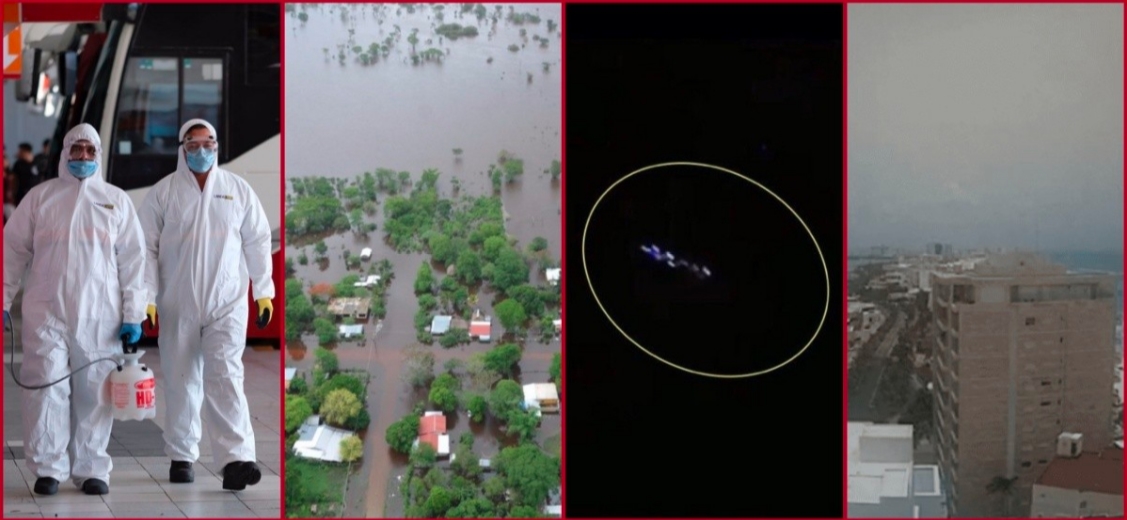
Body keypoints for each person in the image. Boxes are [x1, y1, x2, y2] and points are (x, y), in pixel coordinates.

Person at [3, 124, 146, 496]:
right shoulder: (41, 198)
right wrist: (3, 299)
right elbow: (12, 251)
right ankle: (48, 468)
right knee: (44, 388)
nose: (82, 156)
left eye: (89, 150)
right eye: (76, 149)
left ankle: (91, 467)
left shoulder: (116, 201)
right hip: (46, 311)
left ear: (98, 154)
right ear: (65, 153)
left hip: (101, 316)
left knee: (95, 391)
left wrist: (134, 314)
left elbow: (133, 263)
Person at [139, 119, 274, 491]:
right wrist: (145, 298)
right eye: (194, 144)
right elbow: (144, 249)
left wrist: (264, 291)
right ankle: (182, 455)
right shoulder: (164, 194)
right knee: (182, 381)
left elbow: (258, 241)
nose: (202, 151)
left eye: (208, 143)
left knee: (226, 376)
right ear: (182, 149)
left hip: (227, 302)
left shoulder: (237, 190)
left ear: (217, 145)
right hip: (177, 303)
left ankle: (236, 460)